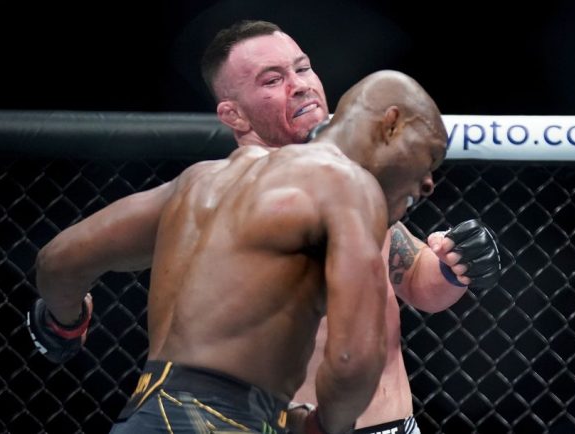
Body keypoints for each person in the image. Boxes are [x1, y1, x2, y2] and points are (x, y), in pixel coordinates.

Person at [26, 69, 451, 434]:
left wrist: (66, 323)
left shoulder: (200, 181)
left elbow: (58, 261)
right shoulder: (350, 186)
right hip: (234, 419)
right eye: (430, 157)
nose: (430, 183)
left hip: (146, 413)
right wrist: (322, 427)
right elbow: (354, 359)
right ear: (390, 124)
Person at [198, 20, 501, 434]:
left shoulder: (353, 179)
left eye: (302, 69)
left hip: (391, 424)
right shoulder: (221, 202)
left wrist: (456, 262)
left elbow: (415, 280)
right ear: (233, 114)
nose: (299, 85)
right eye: (273, 80)